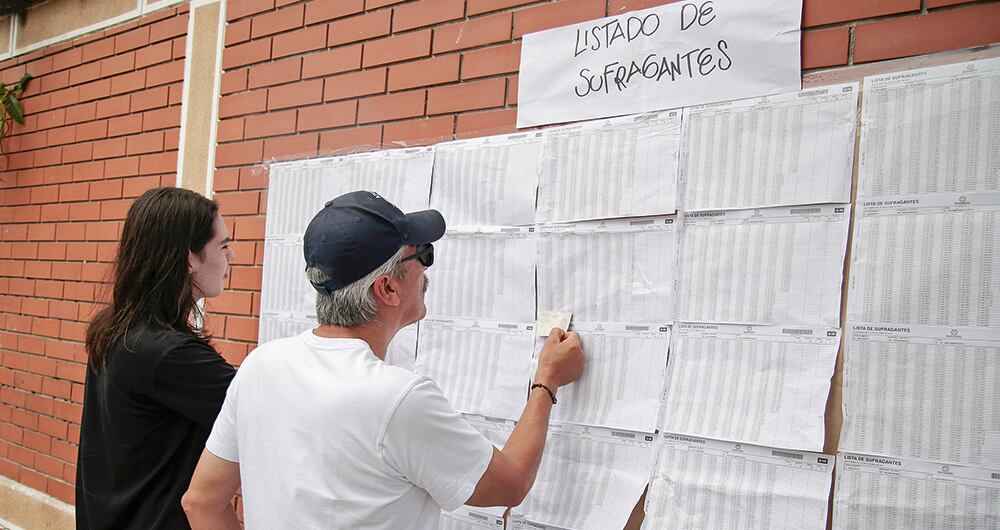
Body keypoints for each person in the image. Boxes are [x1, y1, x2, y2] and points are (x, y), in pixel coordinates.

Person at [183, 191, 585, 529]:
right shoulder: (398, 398)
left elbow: (201, 502)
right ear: (388, 288)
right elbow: (509, 484)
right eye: (421, 255)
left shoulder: (260, 365)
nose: (427, 267)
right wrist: (546, 380)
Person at [76, 187, 238, 529]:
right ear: (189, 258)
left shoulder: (117, 330)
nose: (231, 256)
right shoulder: (169, 354)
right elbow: (265, 409)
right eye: (222, 245)